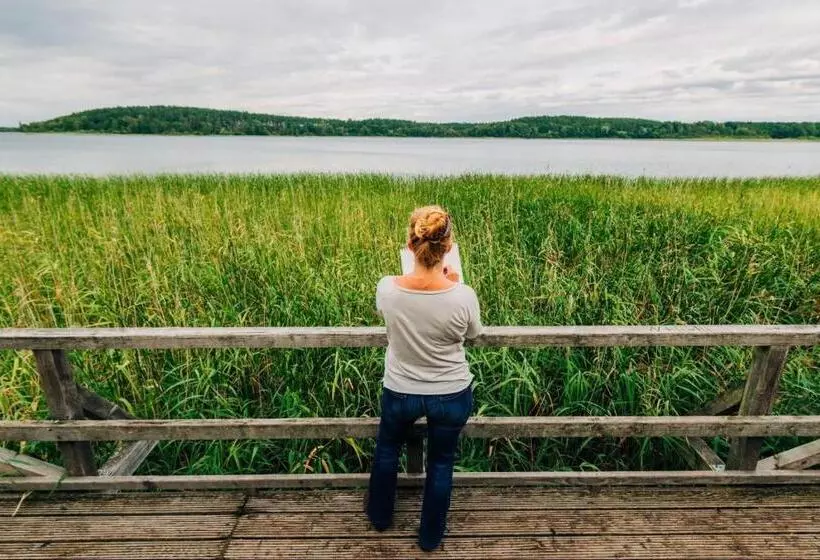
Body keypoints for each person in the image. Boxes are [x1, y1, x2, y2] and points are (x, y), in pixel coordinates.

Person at [366, 205, 482, 551]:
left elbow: (388, 315)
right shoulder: (463, 295)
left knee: (387, 450)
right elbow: (474, 333)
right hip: (450, 393)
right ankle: (430, 537)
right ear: (448, 247)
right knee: (441, 463)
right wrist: (451, 285)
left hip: (400, 389)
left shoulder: (387, 288)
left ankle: (380, 516)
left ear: (410, 243)